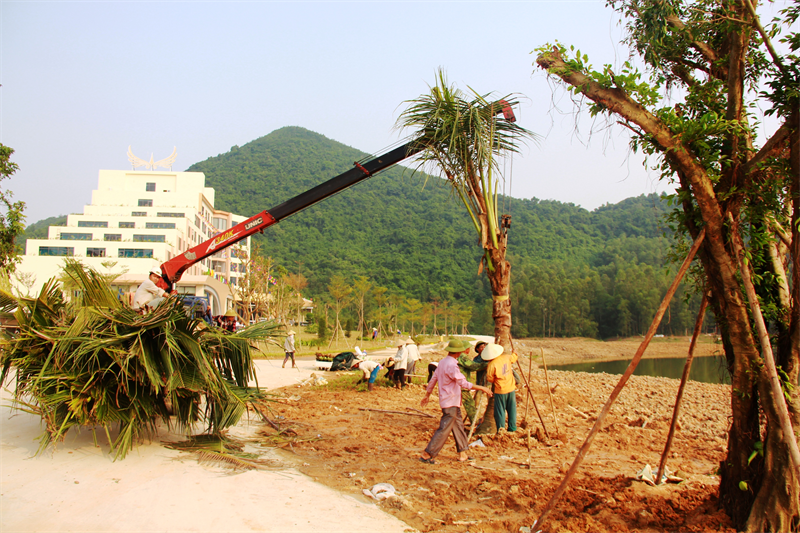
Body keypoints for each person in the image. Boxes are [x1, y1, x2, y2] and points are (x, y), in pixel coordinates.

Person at [419, 339, 493, 464]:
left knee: (458, 426)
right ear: (459, 352)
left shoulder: (442, 362)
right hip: (450, 402)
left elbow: (433, 379)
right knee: (444, 428)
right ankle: (427, 453)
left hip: (449, 401)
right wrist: (482, 387)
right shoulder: (452, 365)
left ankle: (462, 453)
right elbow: (462, 383)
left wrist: (427, 394)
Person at [481, 343, 518, 433]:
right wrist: (515, 353)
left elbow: (490, 378)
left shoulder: (491, 364)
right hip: (511, 388)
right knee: (512, 409)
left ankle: (501, 430)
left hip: (500, 390)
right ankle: (512, 428)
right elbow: (514, 357)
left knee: (500, 411)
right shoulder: (507, 357)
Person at [457, 341, 489, 423]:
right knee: (469, 404)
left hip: (459, 384)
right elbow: (472, 366)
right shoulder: (463, 357)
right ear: (466, 349)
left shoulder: (458, 356)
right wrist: (486, 365)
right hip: (461, 385)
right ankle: (475, 422)